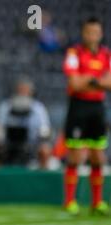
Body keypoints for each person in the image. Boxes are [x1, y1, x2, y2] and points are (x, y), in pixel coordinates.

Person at [62, 17, 111, 215]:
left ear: (100, 34)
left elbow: (109, 84)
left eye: (95, 32)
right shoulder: (74, 53)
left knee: (98, 156)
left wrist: (88, 79)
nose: (92, 35)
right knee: (75, 155)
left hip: (97, 108)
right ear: (83, 33)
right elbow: (74, 84)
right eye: (89, 32)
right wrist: (98, 80)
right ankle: (70, 201)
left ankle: (97, 202)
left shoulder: (106, 54)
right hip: (78, 107)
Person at [0, 76, 52, 169]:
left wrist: (42, 135)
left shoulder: (38, 108)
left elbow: (44, 128)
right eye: (20, 90)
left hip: (32, 145)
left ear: (31, 92)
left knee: (45, 149)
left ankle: (43, 178)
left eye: (25, 90)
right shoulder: (5, 107)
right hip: (9, 144)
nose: (22, 93)